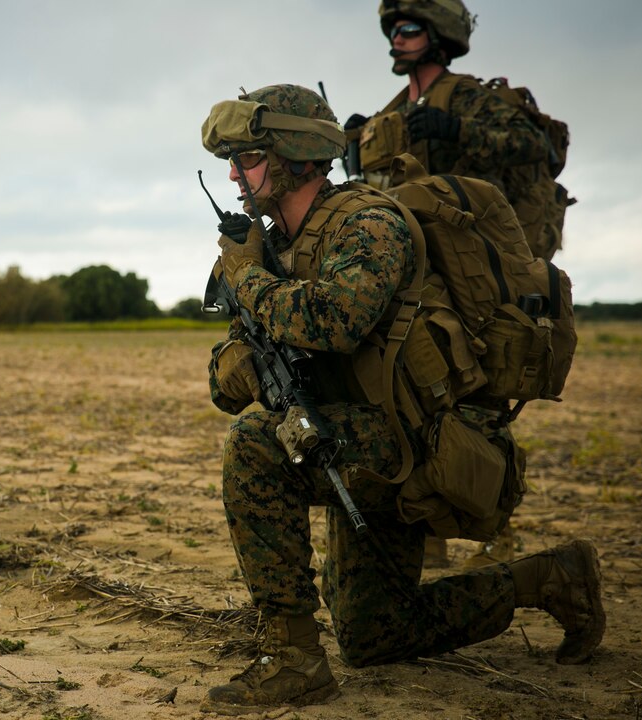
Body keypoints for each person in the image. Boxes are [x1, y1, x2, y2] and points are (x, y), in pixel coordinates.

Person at [200, 83, 605, 715]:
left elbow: (333, 319)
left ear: (293, 156)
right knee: (373, 634)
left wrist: (246, 276)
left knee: (255, 448)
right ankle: (550, 579)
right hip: (357, 439)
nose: (233, 173)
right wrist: (241, 365)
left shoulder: (371, 223)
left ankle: (293, 660)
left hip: (418, 444)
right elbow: (229, 372)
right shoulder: (272, 244)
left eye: (247, 157)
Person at [351, 0, 554, 567]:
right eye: (393, 29)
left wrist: (457, 129)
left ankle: (499, 530)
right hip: (421, 274)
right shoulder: (394, 107)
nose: (398, 37)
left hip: (474, 273)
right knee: (414, 396)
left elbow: (534, 146)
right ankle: (427, 534)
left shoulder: (465, 95)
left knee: (481, 398)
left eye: (409, 28)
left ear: (438, 36)